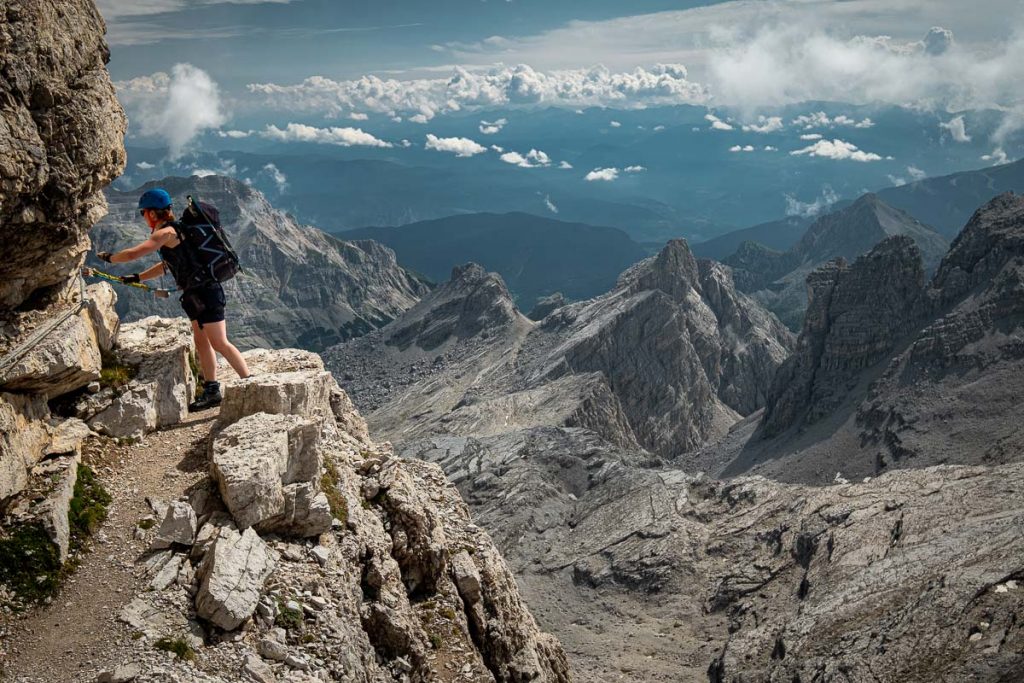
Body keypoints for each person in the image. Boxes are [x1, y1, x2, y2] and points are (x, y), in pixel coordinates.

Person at [97, 188, 250, 410]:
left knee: (219, 342)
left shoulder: (165, 234)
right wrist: (139, 277)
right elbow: (167, 266)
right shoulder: (176, 232)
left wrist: (111, 258)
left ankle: (250, 382)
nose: (144, 218)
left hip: (205, 292)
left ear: (150, 213)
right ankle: (212, 389)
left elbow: (132, 254)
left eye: (143, 213)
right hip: (197, 294)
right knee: (202, 342)